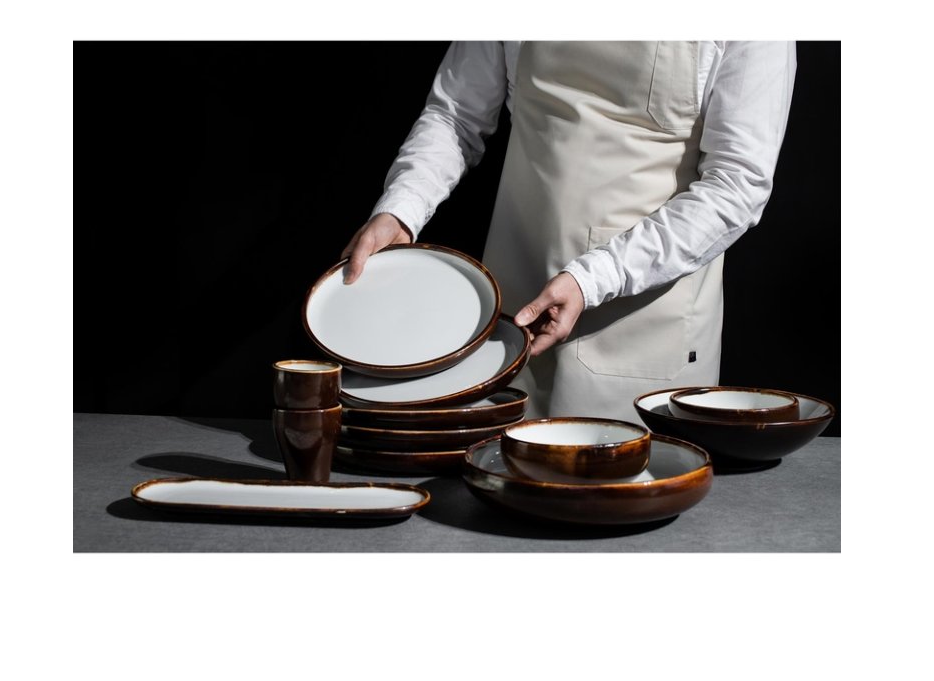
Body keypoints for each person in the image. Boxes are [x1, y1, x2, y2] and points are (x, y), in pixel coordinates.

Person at [341, 41, 797, 420]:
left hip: (643, 325)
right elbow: (455, 113)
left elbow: (737, 184)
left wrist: (592, 278)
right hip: (512, 313)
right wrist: (401, 210)